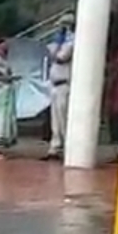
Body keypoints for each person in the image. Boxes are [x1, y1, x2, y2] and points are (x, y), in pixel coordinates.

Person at [45, 15, 74, 161]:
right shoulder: (59, 41)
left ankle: (68, 147)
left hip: (65, 83)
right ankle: (55, 148)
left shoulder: (71, 41)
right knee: (55, 120)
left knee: (63, 119)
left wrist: (57, 44)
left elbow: (60, 57)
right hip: (54, 84)